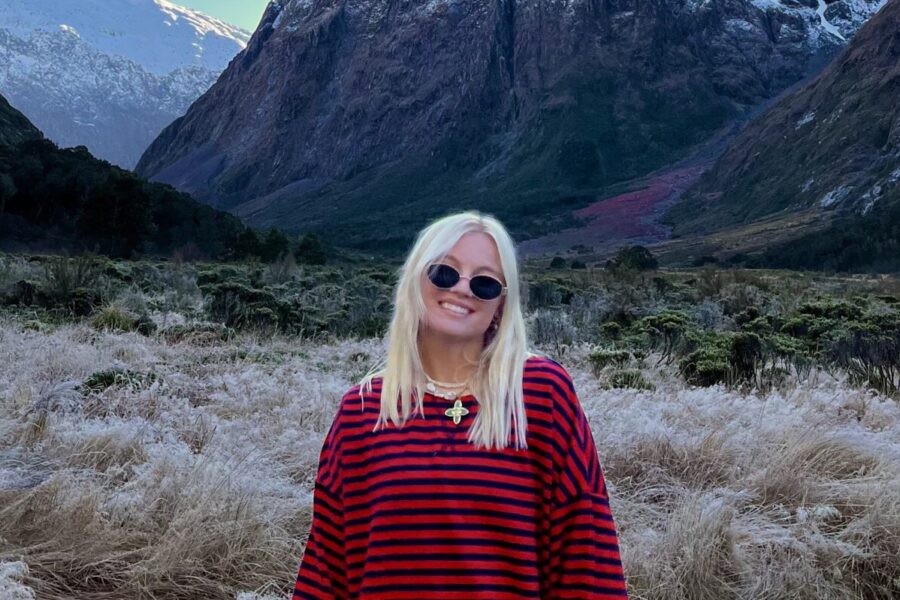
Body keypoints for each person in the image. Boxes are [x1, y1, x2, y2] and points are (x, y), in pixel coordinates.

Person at [293, 210, 627, 599]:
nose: (462, 289)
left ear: (501, 305)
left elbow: (586, 551)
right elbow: (327, 568)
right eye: (445, 272)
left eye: (485, 283)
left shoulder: (539, 394)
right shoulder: (364, 410)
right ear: (416, 280)